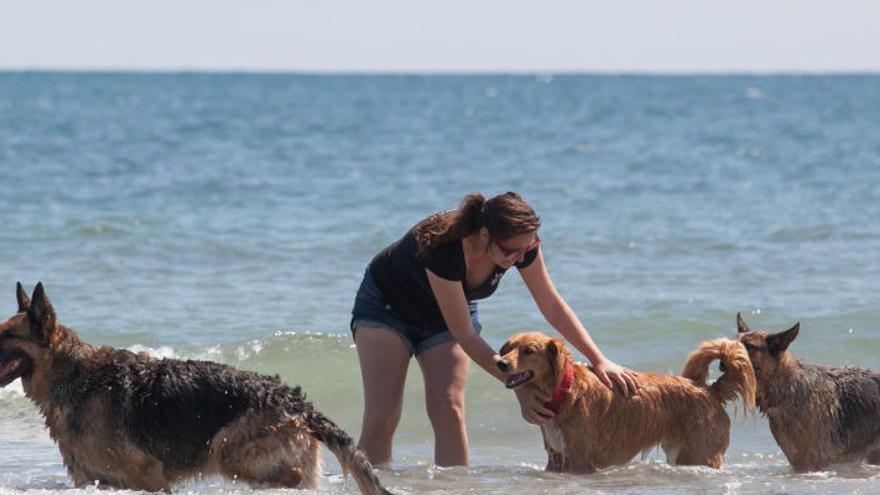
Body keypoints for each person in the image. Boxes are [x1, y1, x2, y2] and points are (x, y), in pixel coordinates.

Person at [350, 191, 638, 467]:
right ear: (485, 235)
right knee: (383, 417)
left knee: (449, 407)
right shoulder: (444, 246)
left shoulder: (521, 245)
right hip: (388, 309)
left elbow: (551, 303)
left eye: (526, 248)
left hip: (451, 311)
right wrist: (518, 388)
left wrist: (599, 359)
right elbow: (465, 334)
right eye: (511, 251)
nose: (518, 257)